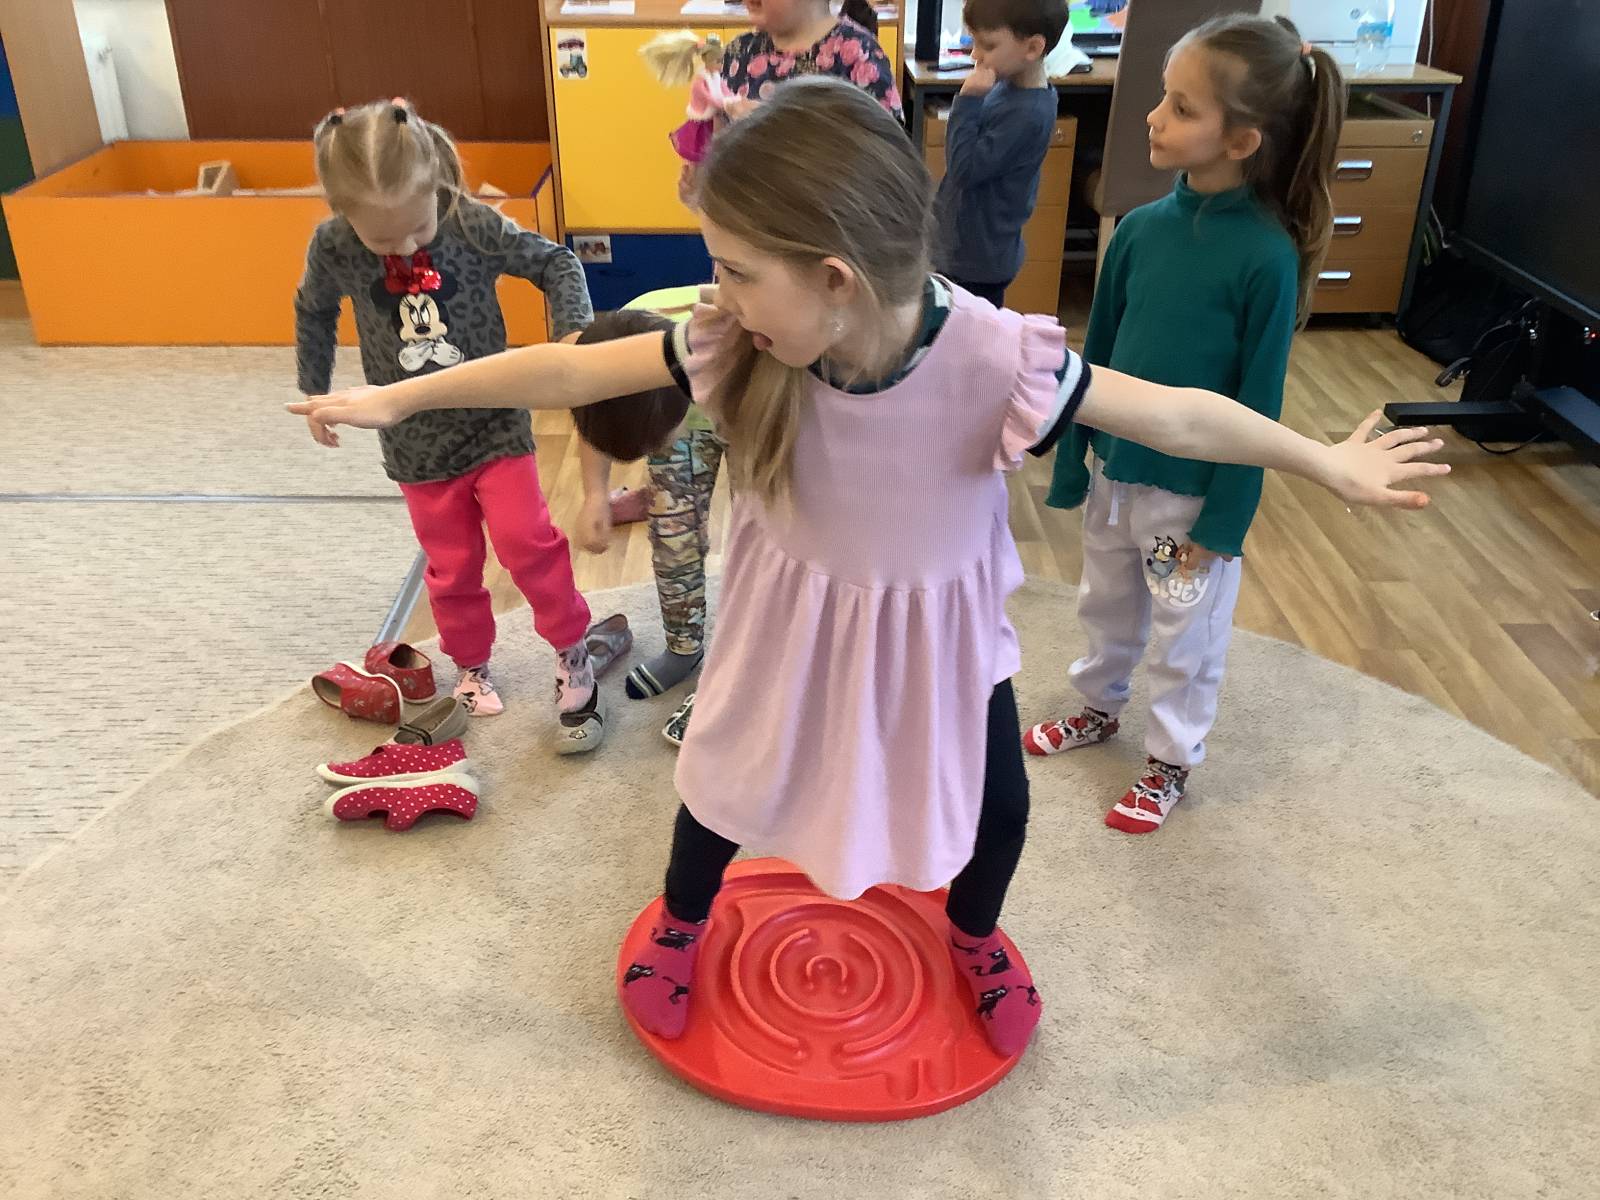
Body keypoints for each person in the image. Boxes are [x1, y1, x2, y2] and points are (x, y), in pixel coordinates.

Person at [290, 79, 1446, 1054]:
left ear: (836, 278)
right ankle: (684, 924)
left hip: (942, 634)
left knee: (996, 810)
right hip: (787, 621)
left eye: (736, 270)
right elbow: (562, 371)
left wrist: (1323, 462)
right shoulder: (743, 341)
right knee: (723, 787)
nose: (718, 295)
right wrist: (394, 396)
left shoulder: (993, 356)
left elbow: (1178, 414)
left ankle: (973, 937)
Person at [1023, 16, 1348, 834]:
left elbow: (1257, 406)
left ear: (1241, 141)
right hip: (1115, 476)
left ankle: (1169, 760)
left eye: (1180, 107)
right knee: (1105, 603)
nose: (1153, 117)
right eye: (1163, 98)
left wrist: (1223, 524)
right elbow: (1096, 355)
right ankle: (1098, 706)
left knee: (1182, 630)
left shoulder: (1265, 257)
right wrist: (1075, 459)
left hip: (1188, 502)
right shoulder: (1137, 230)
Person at [293, 98, 605, 752]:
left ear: (435, 181)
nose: (406, 248)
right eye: (384, 241)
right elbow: (314, 309)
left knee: (528, 542)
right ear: (343, 214)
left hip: (495, 426)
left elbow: (556, 263)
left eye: (417, 229)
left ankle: (573, 648)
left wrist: (572, 335)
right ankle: (471, 666)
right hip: (415, 445)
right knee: (452, 566)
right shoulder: (333, 245)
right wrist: (316, 390)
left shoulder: (468, 222)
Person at [933, 0, 1070, 307]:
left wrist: (967, 101)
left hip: (977, 262)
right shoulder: (1008, 87)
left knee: (969, 333)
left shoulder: (1028, 113)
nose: (975, 55)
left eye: (988, 45)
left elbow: (964, 169)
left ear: (1032, 48)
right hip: (963, 251)